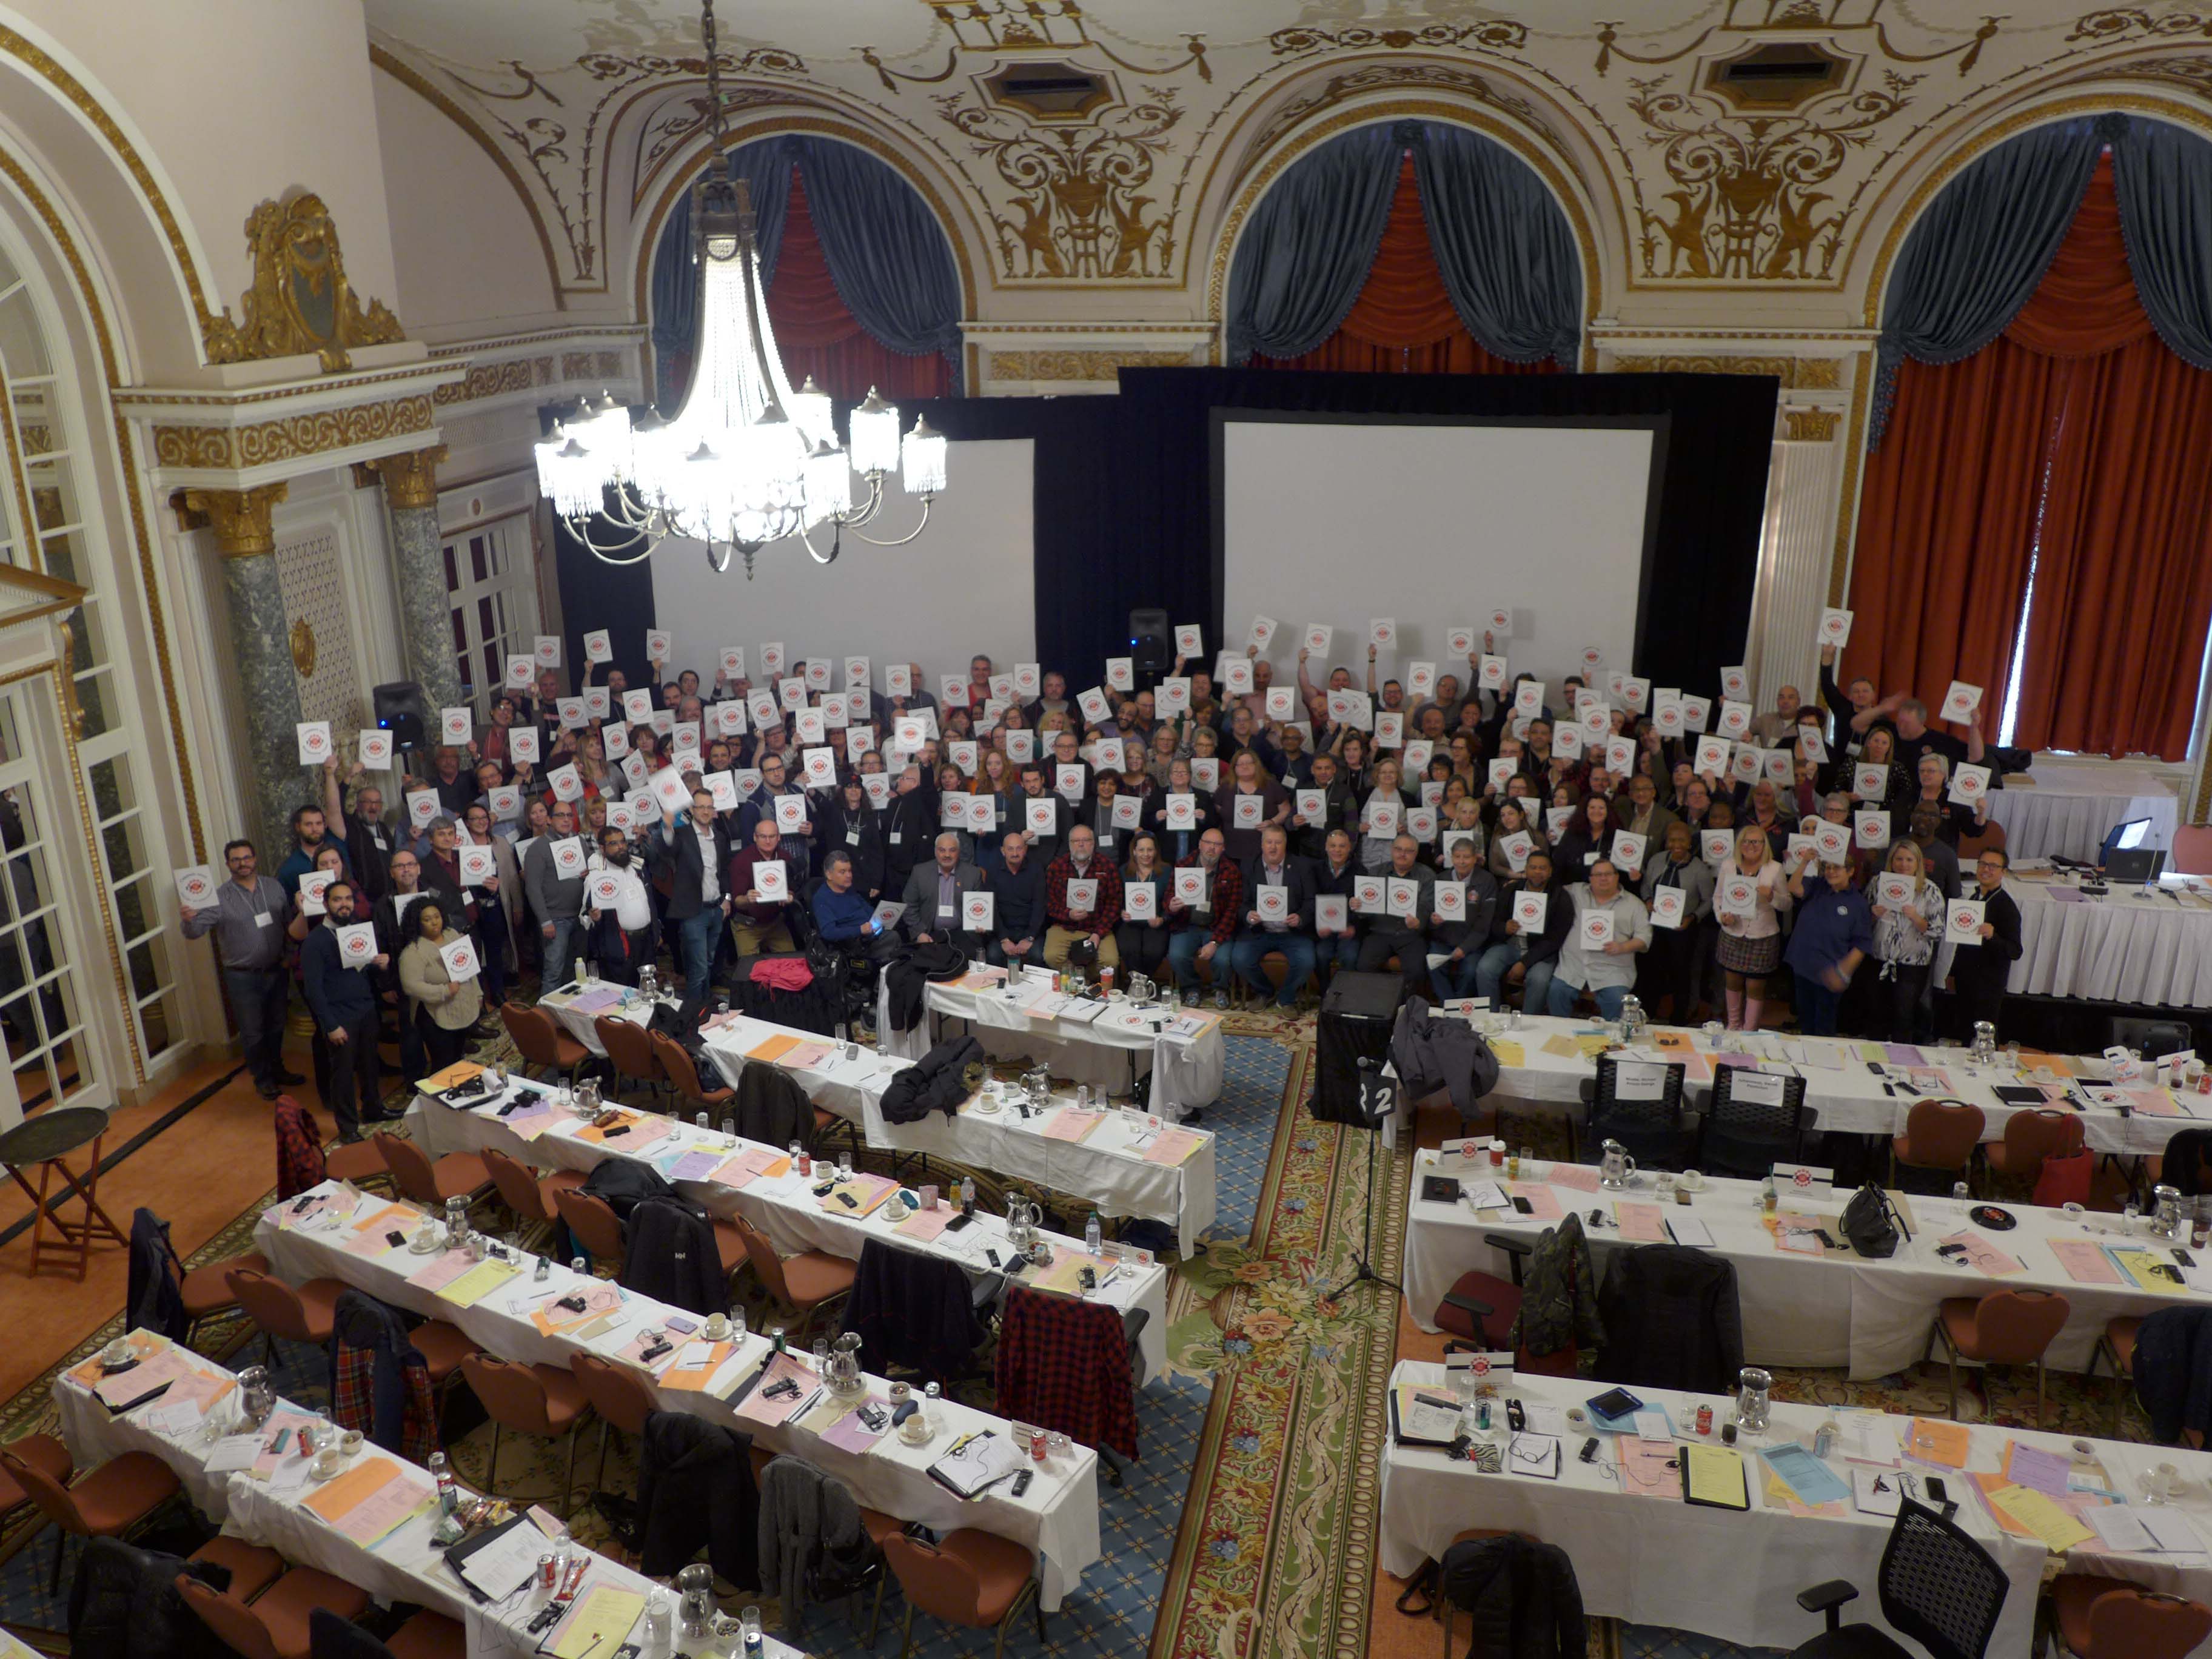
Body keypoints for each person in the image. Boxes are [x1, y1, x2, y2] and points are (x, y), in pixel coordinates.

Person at [181, 839, 300, 1100]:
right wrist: (188, 920)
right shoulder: (218, 898)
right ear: (228, 864)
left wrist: (289, 957)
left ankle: (277, 1069)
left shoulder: (274, 886)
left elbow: (289, 924)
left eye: (246, 858)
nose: (242, 864)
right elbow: (195, 932)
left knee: (277, 1024)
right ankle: (263, 1078)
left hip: (277, 969)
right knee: (252, 1030)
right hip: (242, 976)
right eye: (236, 860)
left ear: (254, 859)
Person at [300, 879, 387, 1141]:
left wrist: (380, 963)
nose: (344, 904)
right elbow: (313, 990)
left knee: (370, 1064)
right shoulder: (314, 941)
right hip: (340, 1017)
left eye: (348, 899)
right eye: (337, 900)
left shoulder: (358, 931)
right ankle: (348, 1128)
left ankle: (373, 1109)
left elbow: (363, 970)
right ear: (326, 904)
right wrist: (330, 1025)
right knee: (343, 1074)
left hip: (366, 1008)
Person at [651, 787, 733, 996]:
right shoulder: (682, 835)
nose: (705, 811)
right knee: (698, 969)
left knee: (708, 963)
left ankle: (703, 1005)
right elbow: (666, 849)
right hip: (693, 912)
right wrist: (667, 826)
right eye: (701, 807)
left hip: (717, 909)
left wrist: (727, 898)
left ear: (714, 810)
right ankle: (695, 1010)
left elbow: (724, 871)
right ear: (692, 810)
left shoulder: (720, 837)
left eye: (709, 807)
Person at [1549, 858, 1651, 1019]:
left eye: (1608, 874)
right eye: (1598, 875)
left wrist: (1622, 947)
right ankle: (1560, 1032)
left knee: (1617, 1001)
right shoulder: (1575, 891)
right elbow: (1547, 889)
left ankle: (1611, 1035)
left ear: (1617, 877)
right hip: (1573, 966)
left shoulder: (1635, 904)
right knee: (1556, 992)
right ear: (1590, 878)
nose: (1603, 878)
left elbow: (1644, 937)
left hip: (1612, 969)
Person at [1783, 857, 1873, 1036]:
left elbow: (1862, 943)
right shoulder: (1817, 885)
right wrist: (1804, 862)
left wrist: (1844, 971)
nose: (1831, 872)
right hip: (1802, 965)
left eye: (1837, 867)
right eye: (1827, 867)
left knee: (1824, 1026)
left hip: (1829, 972)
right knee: (1805, 1019)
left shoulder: (1858, 903)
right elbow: (1793, 888)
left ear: (1850, 871)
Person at [1716, 825, 1794, 1031]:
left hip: (1762, 935)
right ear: (1739, 844)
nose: (1751, 846)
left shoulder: (1775, 868)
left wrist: (1772, 896)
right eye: (1746, 841)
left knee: (1755, 986)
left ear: (1764, 844)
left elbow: (1787, 904)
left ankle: (1749, 1032)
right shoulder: (1728, 865)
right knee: (1732, 982)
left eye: (1756, 842)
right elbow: (1718, 897)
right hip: (1732, 933)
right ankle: (1733, 1026)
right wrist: (1722, 917)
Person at [1635, 820, 1713, 1021]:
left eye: (1682, 840)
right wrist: (1648, 900)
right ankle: (1648, 1012)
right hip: (1655, 926)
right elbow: (1645, 885)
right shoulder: (1656, 860)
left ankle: (1678, 1017)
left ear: (1689, 843)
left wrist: (1692, 918)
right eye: (1672, 840)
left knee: (1680, 973)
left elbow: (1709, 900)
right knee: (1652, 969)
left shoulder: (1699, 870)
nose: (1676, 844)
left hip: (1682, 929)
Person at [1474, 851, 1569, 1012]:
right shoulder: (1510, 890)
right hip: (1510, 945)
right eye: (1533, 867)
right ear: (1525, 869)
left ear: (1550, 871)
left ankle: (1527, 1022)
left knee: (1539, 980)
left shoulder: (1560, 897)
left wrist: (1524, 963)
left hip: (1541, 953)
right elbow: (1494, 922)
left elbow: (1555, 939)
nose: (1537, 872)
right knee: (1485, 969)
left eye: (1542, 868)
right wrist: (1504, 928)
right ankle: (1492, 1017)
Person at [1232, 823, 1314, 1009]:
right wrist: (1248, 915)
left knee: (1307, 961)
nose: (1273, 847)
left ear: (1285, 845)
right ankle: (1265, 992)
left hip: (1291, 932)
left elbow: (1311, 901)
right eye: (1269, 842)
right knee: (1239, 959)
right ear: (1262, 845)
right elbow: (1240, 902)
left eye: (1278, 843)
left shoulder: (1302, 866)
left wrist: (1300, 918)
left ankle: (1286, 999)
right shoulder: (1248, 866)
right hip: (1259, 931)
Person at [1869, 839, 1943, 1043]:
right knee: (1876, 1014)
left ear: (1918, 863)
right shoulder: (1878, 883)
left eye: (1909, 860)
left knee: (1904, 1017)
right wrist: (1873, 915)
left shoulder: (1930, 890)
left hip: (1912, 966)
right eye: (1899, 859)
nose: (1903, 864)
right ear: (1891, 861)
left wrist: (1916, 918)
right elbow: (1862, 922)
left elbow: (1938, 932)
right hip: (1879, 960)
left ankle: (1901, 1057)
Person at [396, 898, 481, 1073]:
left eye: (437, 917)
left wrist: (478, 993)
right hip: (433, 1014)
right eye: (427, 919)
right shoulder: (413, 952)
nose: (434, 922)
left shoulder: (452, 934)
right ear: (417, 923)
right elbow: (411, 986)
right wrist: (444, 991)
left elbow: (468, 966)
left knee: (458, 1056)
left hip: (461, 1006)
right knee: (443, 1063)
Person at [1948, 846, 2022, 1039]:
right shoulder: (1974, 897)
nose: (1986, 869)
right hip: (1966, 979)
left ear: (2003, 872)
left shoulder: (2007, 907)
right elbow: (1963, 943)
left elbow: (2015, 951)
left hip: (1988, 985)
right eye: (1983, 864)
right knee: (1964, 1032)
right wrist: (1953, 973)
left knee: (1983, 1037)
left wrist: (1993, 935)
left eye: (1993, 866)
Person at [1167, 827, 1241, 1007]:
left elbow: (1232, 912)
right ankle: (1192, 988)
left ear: (1223, 848)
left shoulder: (1231, 871)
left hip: (1216, 927)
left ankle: (1221, 989)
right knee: (1176, 956)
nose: (1211, 848)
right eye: (1208, 843)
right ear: (1200, 844)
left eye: (1217, 844)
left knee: (1223, 960)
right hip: (1187, 925)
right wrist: (1171, 906)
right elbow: (1168, 898)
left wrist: (1215, 942)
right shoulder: (1183, 866)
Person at [1355, 834, 1435, 996]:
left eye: (1408, 851)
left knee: (1417, 972)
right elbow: (1365, 909)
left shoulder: (1427, 875)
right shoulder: (1376, 872)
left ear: (1416, 853)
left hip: (1410, 935)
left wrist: (1418, 922)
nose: (1402, 854)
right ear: (1392, 850)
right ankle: (1379, 1003)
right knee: (1363, 967)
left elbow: (1426, 906)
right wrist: (1357, 906)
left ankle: (1406, 1008)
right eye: (1398, 849)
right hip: (1380, 932)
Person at [1426, 835, 1500, 1004]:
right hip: (1443, 940)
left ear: (1475, 858)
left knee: (1470, 971)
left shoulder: (1487, 881)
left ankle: (1459, 1007)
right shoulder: (1441, 879)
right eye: (1458, 857)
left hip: (1472, 942)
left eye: (1466, 857)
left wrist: (1465, 948)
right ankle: (1450, 1007)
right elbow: (1429, 913)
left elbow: (1484, 923)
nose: (1462, 862)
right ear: (1451, 858)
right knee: (1433, 966)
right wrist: (1433, 921)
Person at [1043, 823, 1122, 971]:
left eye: (1086, 840)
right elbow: (1049, 903)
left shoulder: (1107, 867)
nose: (1081, 844)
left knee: (1110, 962)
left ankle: (1084, 978)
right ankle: (1076, 978)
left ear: (1093, 843)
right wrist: (1068, 914)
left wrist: (1099, 933)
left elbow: (1114, 905)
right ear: (1069, 844)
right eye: (1076, 841)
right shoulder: (1056, 867)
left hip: (1097, 927)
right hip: (1064, 927)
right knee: (1052, 956)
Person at [524, 800, 587, 983]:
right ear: (549, 820)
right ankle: (547, 1003)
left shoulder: (579, 842)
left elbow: (591, 869)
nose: (566, 820)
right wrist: (545, 921)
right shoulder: (537, 849)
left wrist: (589, 871)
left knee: (577, 971)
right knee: (554, 972)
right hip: (556, 920)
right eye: (560, 815)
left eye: (569, 815)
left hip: (581, 916)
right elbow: (532, 888)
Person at [585, 825, 656, 984]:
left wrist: (656, 933)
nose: (621, 847)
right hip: (620, 947)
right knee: (623, 992)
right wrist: (596, 917)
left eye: (623, 842)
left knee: (647, 989)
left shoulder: (638, 868)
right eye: (614, 844)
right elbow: (587, 916)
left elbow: (650, 901)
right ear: (602, 848)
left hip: (646, 943)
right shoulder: (598, 876)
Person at [322, 760, 394, 903]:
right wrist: (348, 778)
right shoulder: (350, 825)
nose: (373, 807)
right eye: (368, 802)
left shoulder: (384, 829)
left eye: (377, 802)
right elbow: (336, 808)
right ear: (358, 805)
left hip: (389, 898)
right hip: (363, 901)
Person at [728, 819, 801, 958]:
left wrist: (789, 896)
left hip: (775, 922)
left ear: (779, 838)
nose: (768, 841)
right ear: (755, 837)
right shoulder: (741, 861)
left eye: (772, 836)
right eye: (763, 836)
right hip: (747, 925)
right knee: (749, 967)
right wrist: (747, 899)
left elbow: (792, 889)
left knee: (790, 961)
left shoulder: (785, 857)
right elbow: (737, 901)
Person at [902, 832, 985, 954]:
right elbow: (909, 905)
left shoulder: (973, 873)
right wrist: (919, 933)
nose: (947, 855)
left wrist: (980, 923)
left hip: (963, 934)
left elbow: (981, 907)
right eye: (942, 850)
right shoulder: (920, 872)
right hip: (929, 933)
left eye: (952, 850)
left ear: (959, 852)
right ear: (935, 851)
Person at [813, 849, 898, 970]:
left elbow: (869, 911)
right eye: (843, 872)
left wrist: (881, 918)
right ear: (829, 875)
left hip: (870, 934)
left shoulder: (849, 890)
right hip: (854, 945)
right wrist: (860, 930)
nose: (849, 875)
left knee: (894, 933)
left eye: (849, 871)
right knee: (893, 938)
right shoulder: (822, 899)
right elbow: (828, 932)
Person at [1116, 831, 1173, 984]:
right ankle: (1139, 984)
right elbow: (1115, 899)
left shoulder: (1167, 871)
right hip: (1130, 922)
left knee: (1153, 952)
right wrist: (1121, 912)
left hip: (1156, 923)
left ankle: (1143, 982)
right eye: (1141, 850)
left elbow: (1171, 900)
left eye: (1150, 850)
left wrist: (1163, 919)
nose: (1146, 854)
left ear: (1156, 851)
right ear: (1134, 851)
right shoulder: (1123, 871)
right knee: (1129, 949)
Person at [984, 833, 1045, 971]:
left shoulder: (1037, 870)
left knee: (1038, 955)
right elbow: (991, 907)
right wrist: (1003, 938)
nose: (1015, 853)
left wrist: (1030, 937)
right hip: (1003, 930)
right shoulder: (993, 871)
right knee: (993, 955)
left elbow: (1040, 906)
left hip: (1030, 930)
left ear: (1026, 850)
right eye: (1010, 849)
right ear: (1003, 851)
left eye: (1019, 848)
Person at [1310, 826, 1362, 986]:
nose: (1337, 850)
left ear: (1349, 848)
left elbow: (1366, 909)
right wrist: (1317, 926)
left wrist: (1354, 928)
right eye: (1333, 846)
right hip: (1323, 930)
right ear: (1326, 847)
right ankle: (1326, 994)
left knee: (1350, 957)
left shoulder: (1361, 871)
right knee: (1321, 955)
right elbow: (1309, 901)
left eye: (1342, 846)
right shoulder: (1315, 870)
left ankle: (1346, 995)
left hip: (1348, 930)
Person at [275, 803, 348, 897]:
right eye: (309, 825)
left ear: (325, 824)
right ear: (298, 827)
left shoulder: (340, 850)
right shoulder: (289, 869)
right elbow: (285, 903)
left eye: (319, 823)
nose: (315, 829)